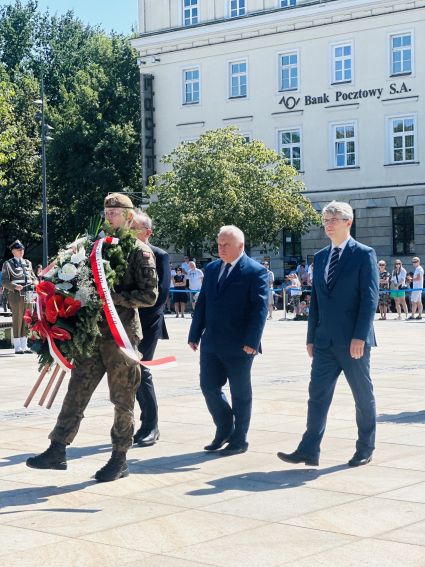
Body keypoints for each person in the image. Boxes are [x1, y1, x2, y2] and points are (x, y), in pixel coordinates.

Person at [26, 193, 158, 482]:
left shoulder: (138, 251)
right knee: (76, 392)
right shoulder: (92, 247)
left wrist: (115, 298)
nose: (109, 215)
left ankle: (119, 457)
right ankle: (57, 449)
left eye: (115, 211)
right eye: (106, 210)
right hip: (92, 335)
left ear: (129, 216)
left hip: (120, 338)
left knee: (122, 399)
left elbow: (150, 295)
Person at [277, 200, 378, 468]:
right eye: (325, 220)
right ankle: (309, 449)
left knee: (362, 396)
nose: (328, 224)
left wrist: (360, 336)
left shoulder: (363, 254)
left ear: (349, 222)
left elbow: (370, 300)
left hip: (353, 342)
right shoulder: (321, 257)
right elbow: (318, 301)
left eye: (334, 219)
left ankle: (365, 448)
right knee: (317, 396)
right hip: (324, 342)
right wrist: (310, 336)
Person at [188, 225, 268, 456]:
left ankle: (239, 439)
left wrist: (253, 341)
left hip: (241, 344)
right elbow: (203, 302)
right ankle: (224, 427)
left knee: (240, 393)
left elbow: (259, 309)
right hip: (211, 341)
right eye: (219, 244)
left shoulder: (255, 271)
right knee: (209, 387)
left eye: (226, 245)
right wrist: (195, 333)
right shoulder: (212, 269)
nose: (221, 249)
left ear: (240, 246)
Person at [132, 211, 170, 447]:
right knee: (131, 374)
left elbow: (161, 295)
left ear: (148, 232)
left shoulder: (159, 255)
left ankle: (151, 426)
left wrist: (127, 300)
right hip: (126, 323)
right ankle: (143, 422)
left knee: (142, 370)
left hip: (148, 323)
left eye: (135, 228)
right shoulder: (124, 254)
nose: (130, 232)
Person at [1, 240, 37, 354]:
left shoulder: (28, 263)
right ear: (13, 251)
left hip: (29, 293)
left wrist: (36, 281)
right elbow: (4, 282)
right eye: (19, 250)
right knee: (17, 319)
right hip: (16, 294)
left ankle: (24, 345)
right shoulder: (8, 264)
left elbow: (33, 276)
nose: (21, 251)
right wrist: (14, 286)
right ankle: (17, 346)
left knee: (27, 318)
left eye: (22, 250)